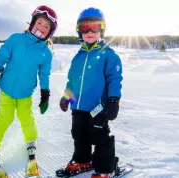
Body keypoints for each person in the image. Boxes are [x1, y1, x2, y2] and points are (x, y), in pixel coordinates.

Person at [0, 5, 57, 164]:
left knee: (27, 118)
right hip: (7, 89)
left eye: (46, 26)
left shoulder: (46, 53)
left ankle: (31, 141)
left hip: (25, 93)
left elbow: (44, 74)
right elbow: (1, 56)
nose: (42, 28)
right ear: (32, 22)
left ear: (50, 32)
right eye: (39, 23)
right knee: (4, 117)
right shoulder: (16, 39)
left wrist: (45, 93)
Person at [58, 7, 123, 178]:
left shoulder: (109, 55)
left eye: (94, 27)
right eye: (85, 27)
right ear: (79, 31)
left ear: (101, 29)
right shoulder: (78, 56)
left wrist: (114, 100)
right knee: (79, 133)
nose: (89, 31)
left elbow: (114, 79)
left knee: (99, 136)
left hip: (98, 107)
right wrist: (66, 97)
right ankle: (83, 159)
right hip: (78, 105)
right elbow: (72, 80)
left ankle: (105, 168)